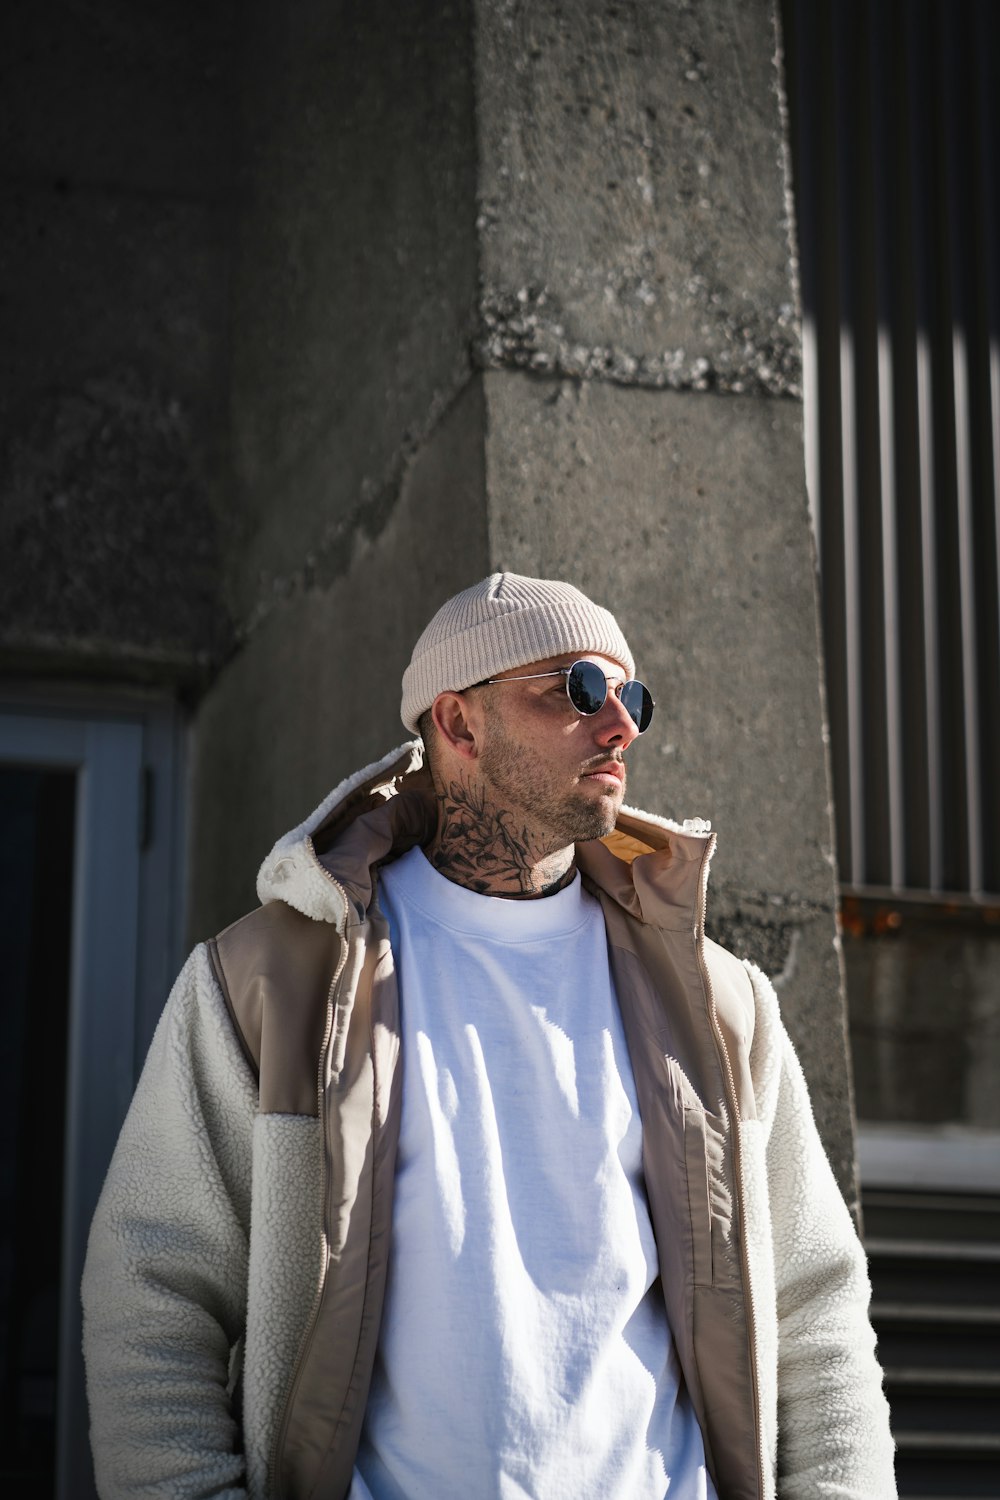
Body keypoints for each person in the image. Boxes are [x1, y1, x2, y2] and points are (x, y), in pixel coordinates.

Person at [82, 572, 896, 1500]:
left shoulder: (716, 1002)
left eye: (633, 698)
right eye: (578, 689)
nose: (621, 724)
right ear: (459, 726)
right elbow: (151, 1294)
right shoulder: (276, 979)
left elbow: (817, 1308)